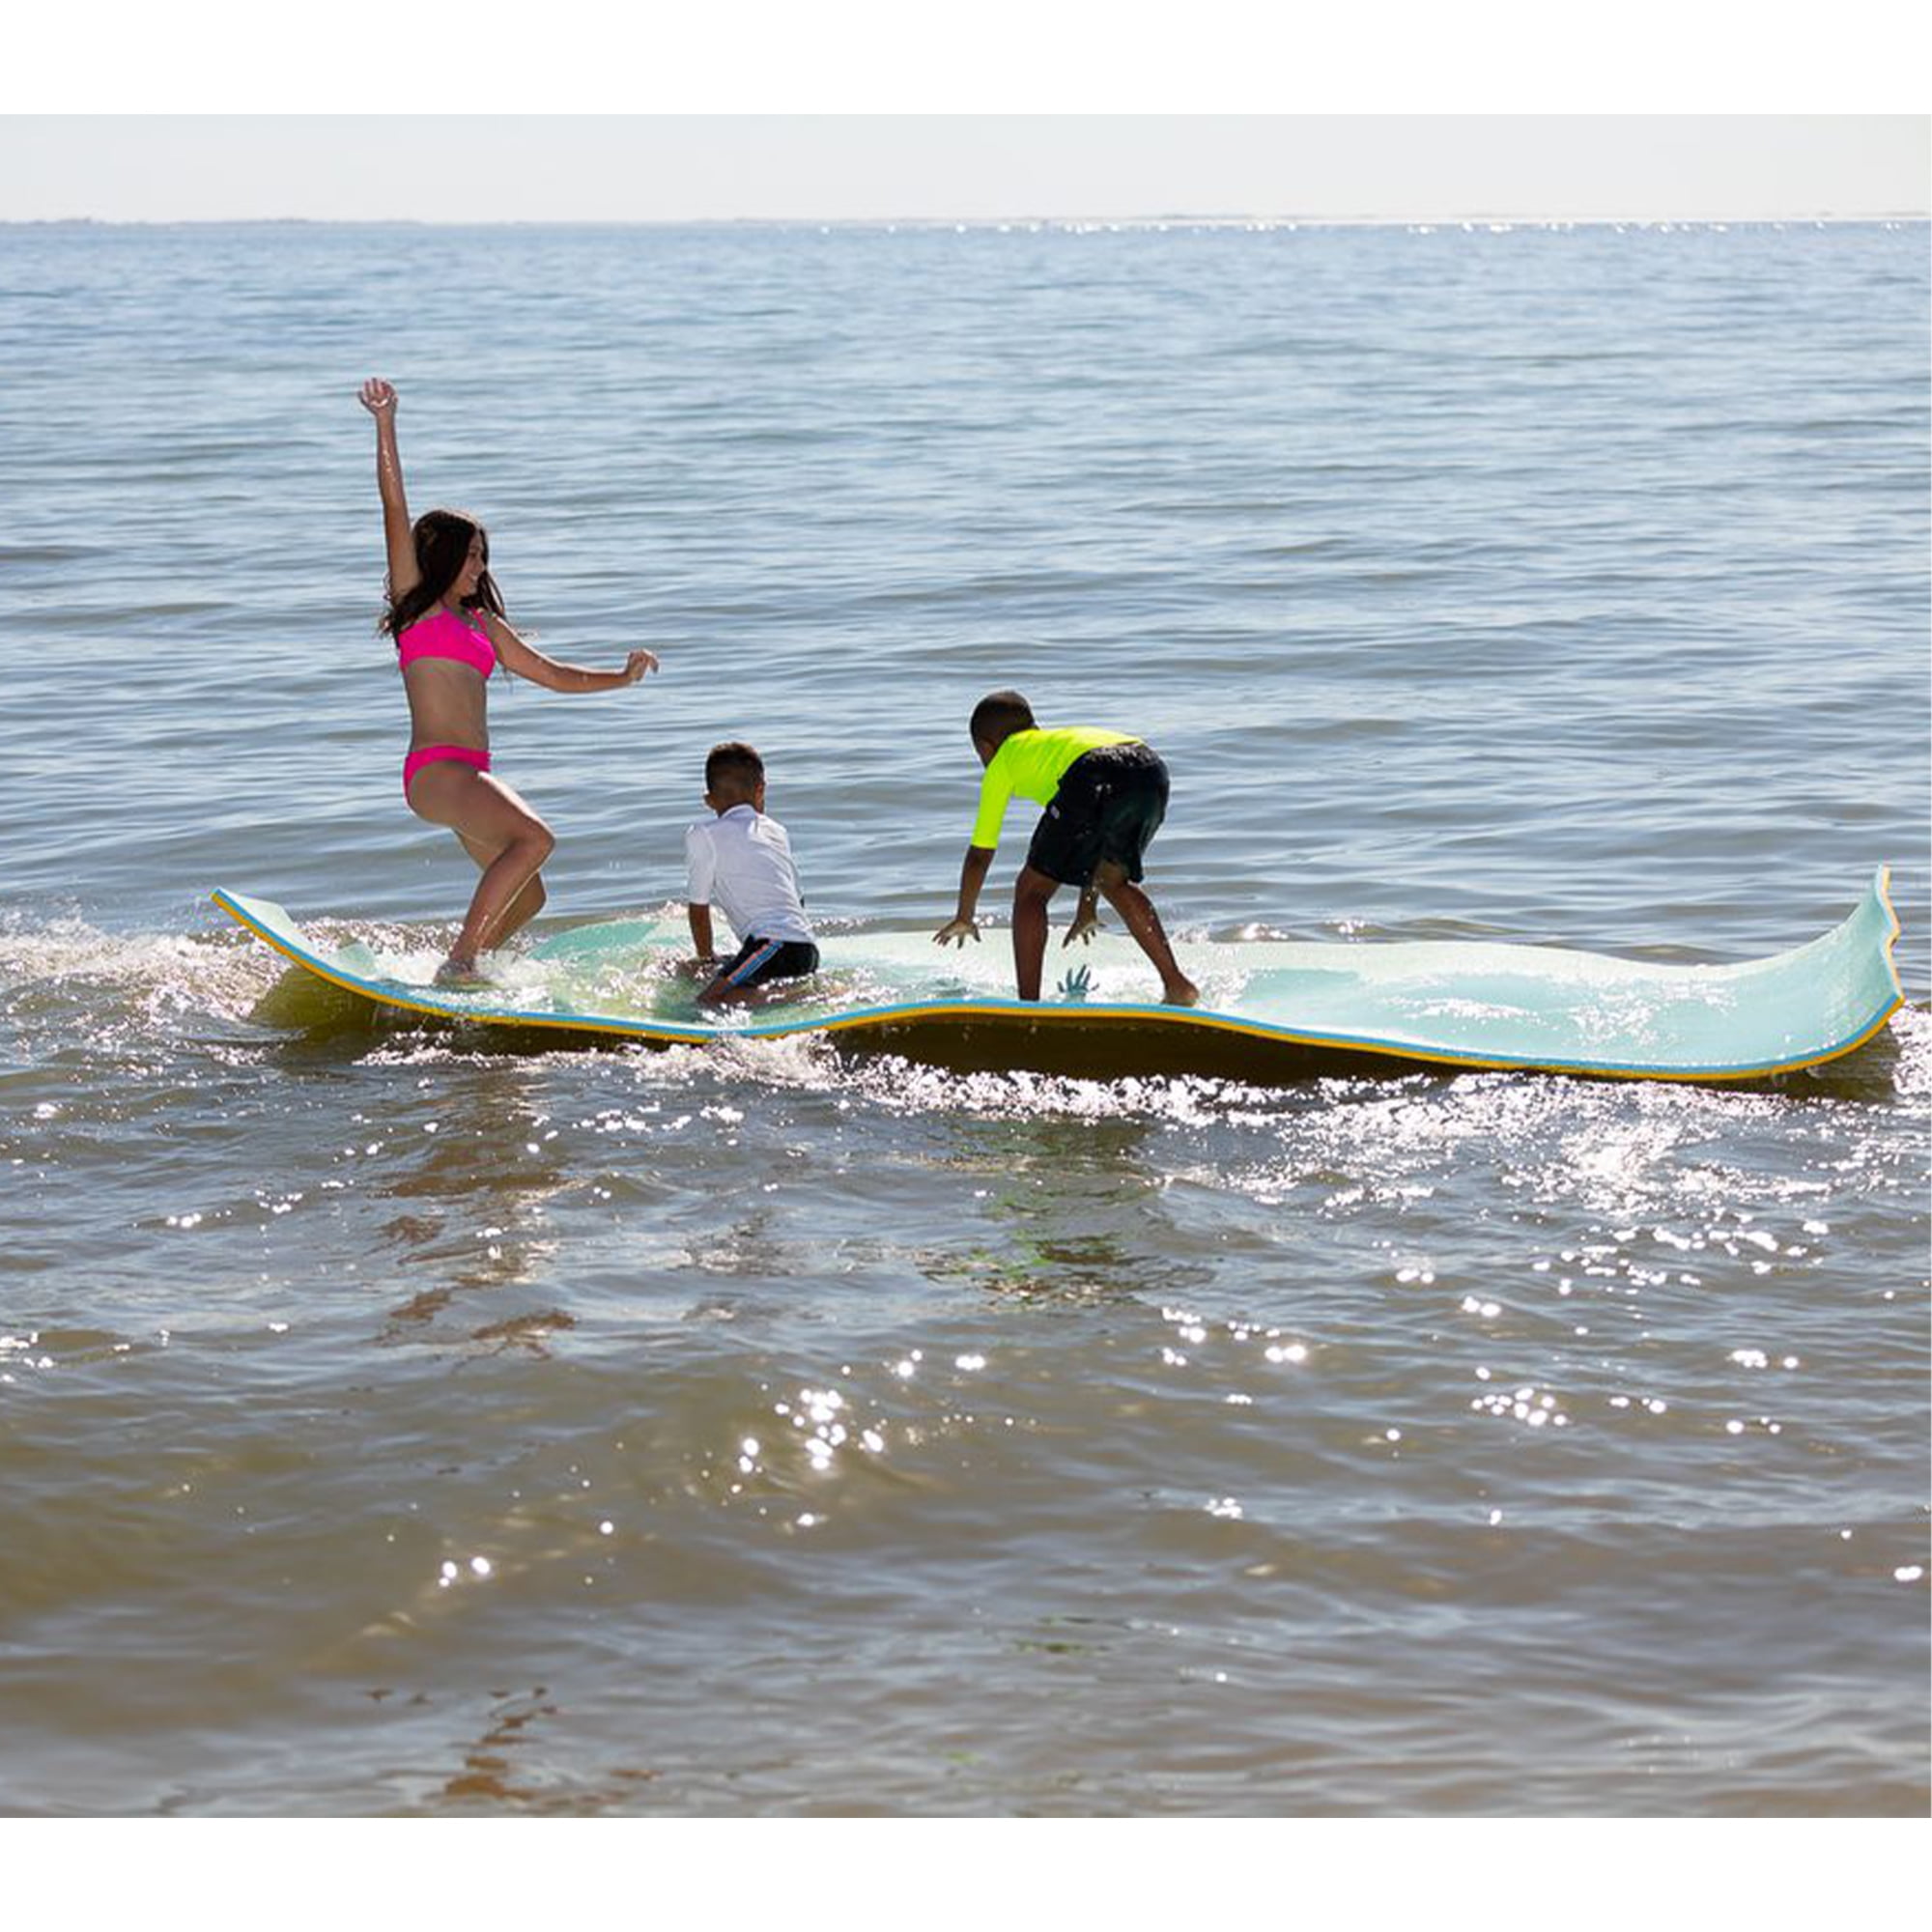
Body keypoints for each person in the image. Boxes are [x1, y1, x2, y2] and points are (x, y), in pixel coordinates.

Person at [358, 377, 659, 984]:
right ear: (441, 556)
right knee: (535, 838)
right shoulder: (418, 609)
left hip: (471, 774)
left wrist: (620, 679)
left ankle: (466, 967)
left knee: (529, 897)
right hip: (437, 772)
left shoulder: (482, 624)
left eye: (483, 557)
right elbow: (395, 508)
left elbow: (551, 675)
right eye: (470, 555)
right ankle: (461, 963)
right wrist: (385, 425)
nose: (480, 567)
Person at [933, 689, 1199, 1006]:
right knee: (1113, 880)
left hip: (1092, 771)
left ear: (985, 748)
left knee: (1031, 891)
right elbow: (1093, 840)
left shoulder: (1004, 761)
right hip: (1151, 770)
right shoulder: (1054, 747)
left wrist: (965, 914)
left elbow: (980, 854)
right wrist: (1087, 907)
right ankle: (1177, 985)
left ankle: (1028, 1005)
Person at [685, 741, 820, 1007]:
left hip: (773, 945)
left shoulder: (703, 834)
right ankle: (793, 992)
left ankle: (805, 997)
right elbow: (798, 900)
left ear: (708, 800)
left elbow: (698, 910)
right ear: (761, 791)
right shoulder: (777, 831)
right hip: (805, 947)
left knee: (708, 1000)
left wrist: (705, 960)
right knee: (699, 974)